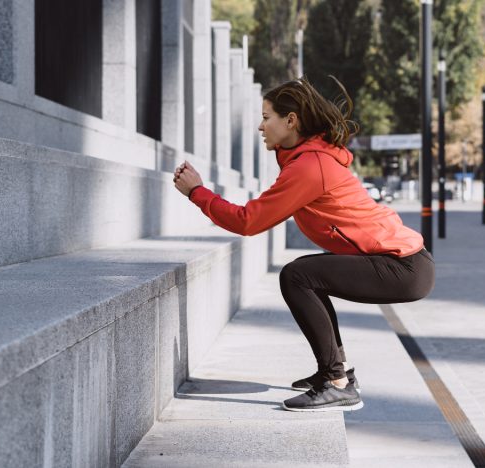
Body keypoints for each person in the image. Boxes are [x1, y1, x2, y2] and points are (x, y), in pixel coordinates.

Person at [172, 76, 435, 412]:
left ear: (291, 120)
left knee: (299, 275)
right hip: (404, 263)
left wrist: (197, 192)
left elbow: (248, 221)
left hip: (404, 266)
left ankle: (337, 382)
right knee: (308, 274)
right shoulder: (306, 161)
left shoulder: (310, 167)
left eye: (267, 117)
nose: (260, 126)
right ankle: (337, 374)